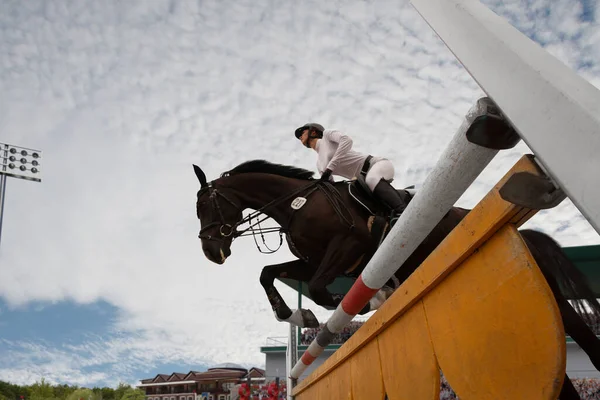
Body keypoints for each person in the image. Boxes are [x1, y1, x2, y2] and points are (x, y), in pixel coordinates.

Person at [294, 122, 409, 219]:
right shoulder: (319, 164)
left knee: (371, 179)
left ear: (313, 132)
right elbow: (331, 186)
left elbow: (347, 140)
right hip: (362, 183)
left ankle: (403, 212)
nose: (300, 136)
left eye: (302, 132)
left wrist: (330, 167)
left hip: (376, 165)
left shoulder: (327, 135)